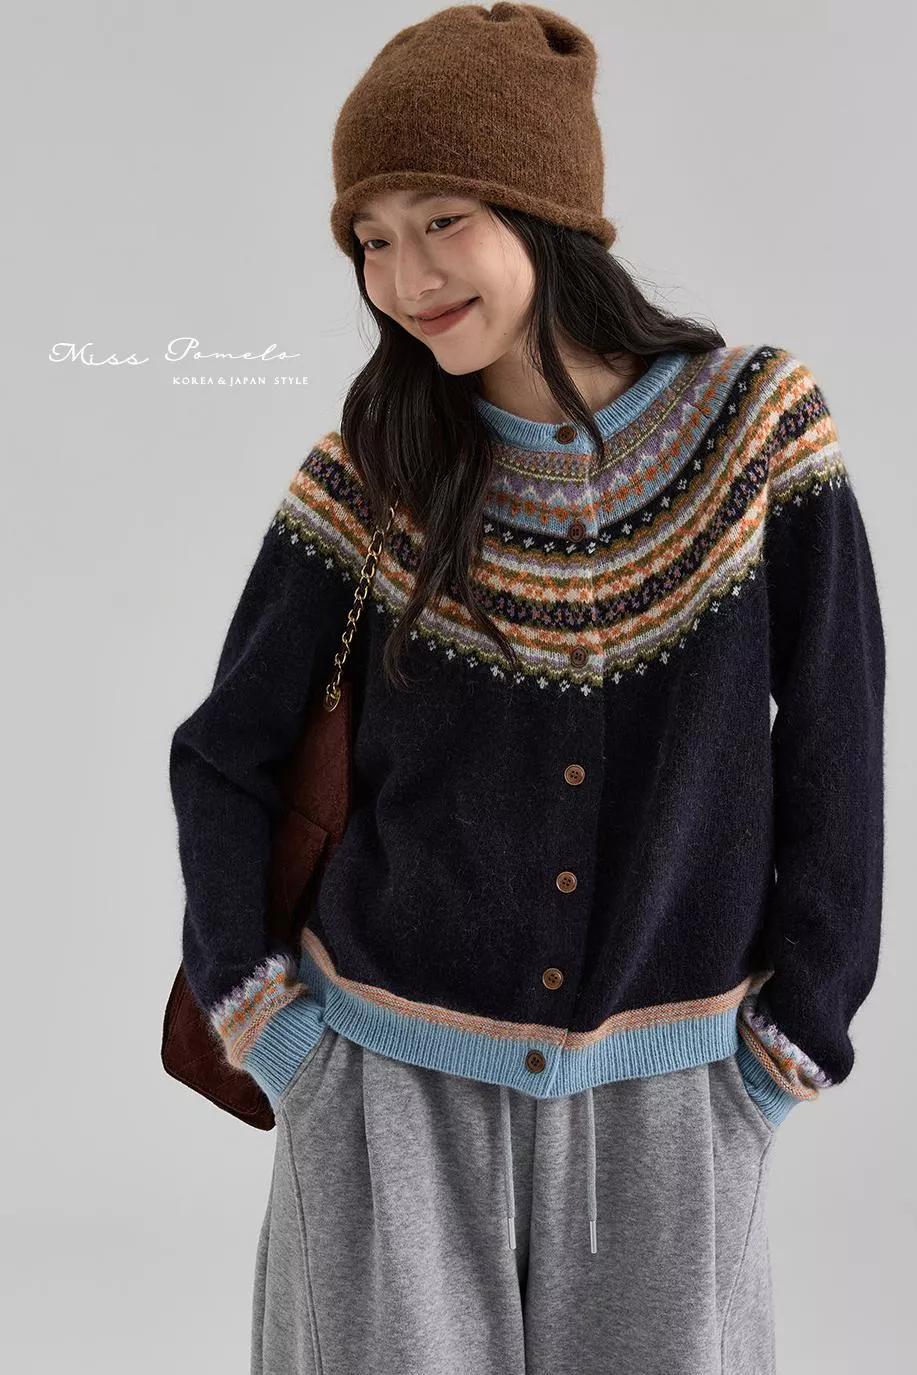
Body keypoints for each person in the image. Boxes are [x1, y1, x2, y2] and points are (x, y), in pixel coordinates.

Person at [167, 6, 885, 1373]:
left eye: (440, 220)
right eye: (371, 238)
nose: (404, 275)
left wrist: (792, 1043)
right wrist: (275, 1033)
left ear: (548, 209)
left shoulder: (760, 433)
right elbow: (224, 755)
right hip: (384, 1097)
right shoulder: (371, 469)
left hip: (675, 1105)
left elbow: (838, 747)